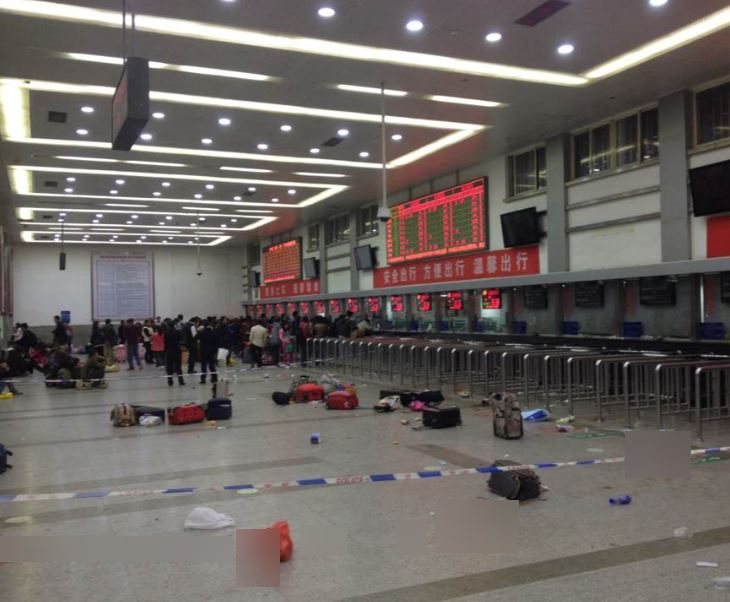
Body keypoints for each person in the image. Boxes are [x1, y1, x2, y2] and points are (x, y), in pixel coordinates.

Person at [163, 320, 185, 386]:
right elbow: (181, 340)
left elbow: (164, 342)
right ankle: (181, 381)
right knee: (178, 367)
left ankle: (170, 381)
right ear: (174, 325)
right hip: (177, 350)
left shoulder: (165, 332)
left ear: (168, 325)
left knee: (169, 367)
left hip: (169, 351)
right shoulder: (177, 332)